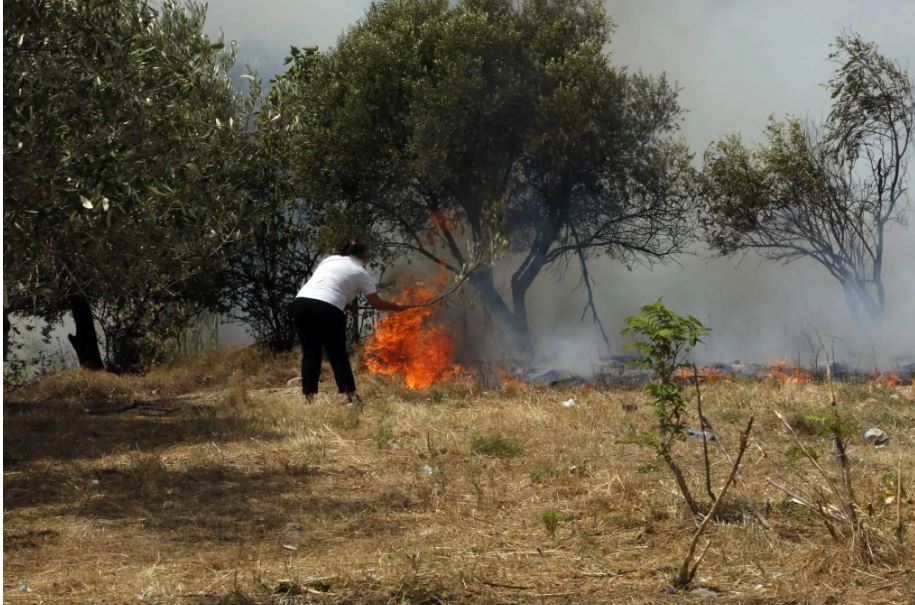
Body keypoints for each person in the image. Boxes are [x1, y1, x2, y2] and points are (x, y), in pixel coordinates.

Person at [292, 239, 403, 403]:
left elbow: (331, 283)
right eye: (367, 257)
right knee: (337, 353)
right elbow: (376, 303)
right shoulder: (360, 271)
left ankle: (309, 398)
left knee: (310, 352)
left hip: (300, 303)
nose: (368, 261)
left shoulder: (329, 260)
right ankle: (350, 395)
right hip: (327, 307)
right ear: (362, 256)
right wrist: (396, 307)